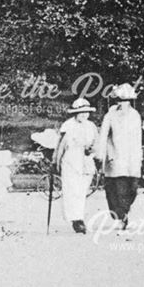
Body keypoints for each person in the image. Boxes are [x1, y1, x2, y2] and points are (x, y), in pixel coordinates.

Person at [96, 83, 143, 229]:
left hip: (132, 159)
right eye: (120, 101)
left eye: (126, 101)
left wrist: (140, 156)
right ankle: (121, 215)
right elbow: (103, 136)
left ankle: (124, 211)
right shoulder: (110, 115)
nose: (123, 104)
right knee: (117, 189)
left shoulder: (135, 115)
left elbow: (138, 138)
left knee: (133, 189)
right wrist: (100, 155)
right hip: (115, 157)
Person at [54, 98, 99, 234]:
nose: (84, 115)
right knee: (72, 190)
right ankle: (76, 220)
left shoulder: (91, 126)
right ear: (75, 113)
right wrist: (55, 161)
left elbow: (96, 143)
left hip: (86, 162)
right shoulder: (68, 126)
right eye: (81, 112)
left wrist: (93, 150)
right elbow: (60, 146)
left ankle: (79, 217)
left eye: (86, 112)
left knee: (81, 191)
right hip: (71, 161)